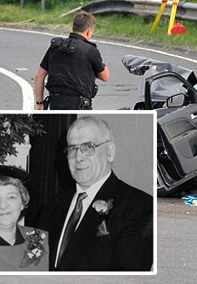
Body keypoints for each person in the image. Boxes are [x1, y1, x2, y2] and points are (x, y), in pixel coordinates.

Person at [41, 116, 153, 271]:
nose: (78, 157)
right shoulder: (53, 206)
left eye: (88, 147)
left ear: (110, 152)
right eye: (72, 149)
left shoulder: (139, 206)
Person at [34, 10, 110, 110]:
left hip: (55, 102)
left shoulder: (55, 47)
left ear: (73, 27)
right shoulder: (90, 50)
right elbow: (105, 76)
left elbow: (39, 76)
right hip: (79, 104)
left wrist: (39, 103)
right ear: (89, 31)